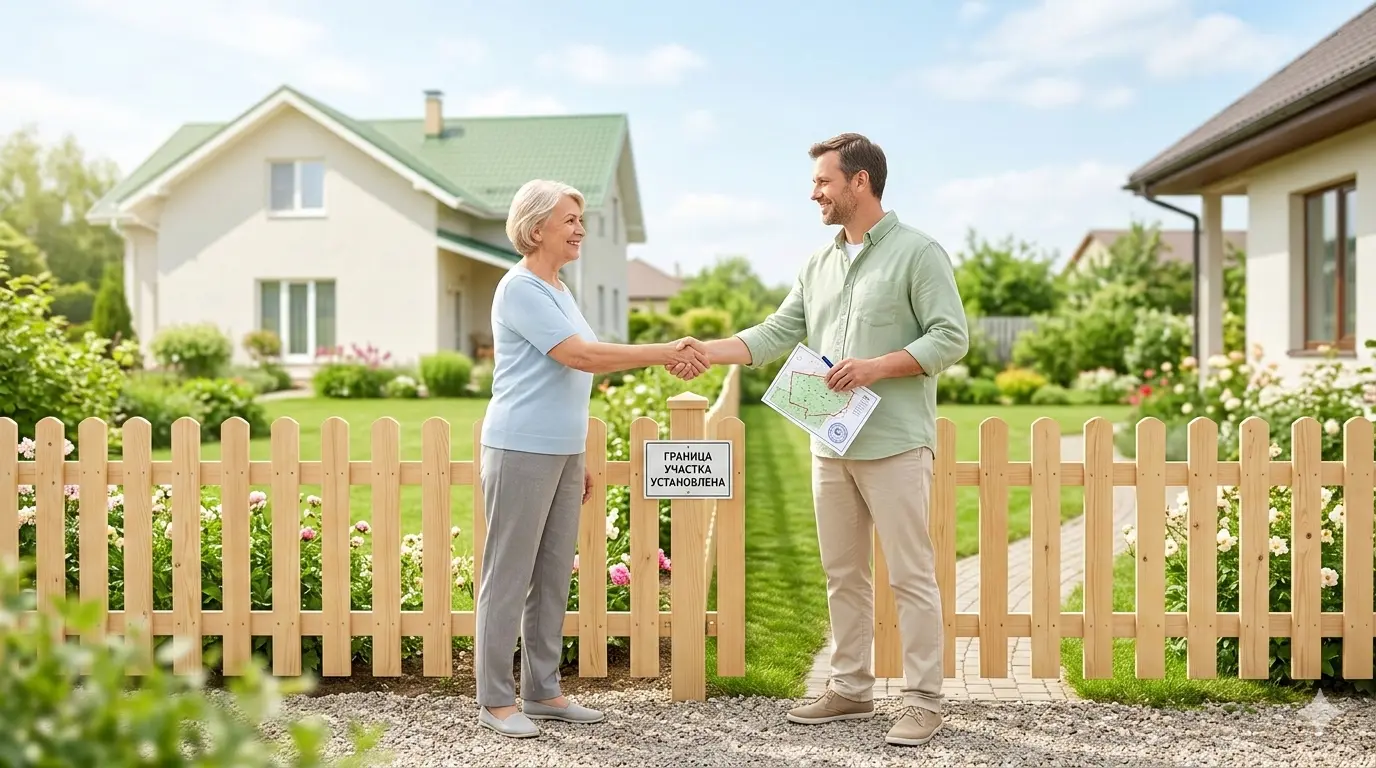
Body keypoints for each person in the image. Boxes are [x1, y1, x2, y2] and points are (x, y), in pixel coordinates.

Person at [675, 134, 968, 748]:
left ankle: (923, 701)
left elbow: (951, 337)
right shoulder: (818, 262)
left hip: (893, 443)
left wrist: (875, 366)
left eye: (823, 182)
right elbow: (779, 330)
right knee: (842, 573)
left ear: (859, 182)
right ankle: (851, 689)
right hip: (829, 443)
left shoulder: (919, 253)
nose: (815, 193)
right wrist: (708, 351)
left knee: (911, 575)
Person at [475, 179, 708, 739]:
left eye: (581, 218)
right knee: (508, 575)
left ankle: (543, 691)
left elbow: (569, 379)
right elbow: (579, 356)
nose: (581, 228)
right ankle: (495, 700)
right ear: (536, 229)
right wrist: (662, 354)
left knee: (554, 575)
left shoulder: (560, 289)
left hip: (558, 451)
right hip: (518, 446)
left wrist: (576, 456)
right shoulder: (521, 288)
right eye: (571, 219)